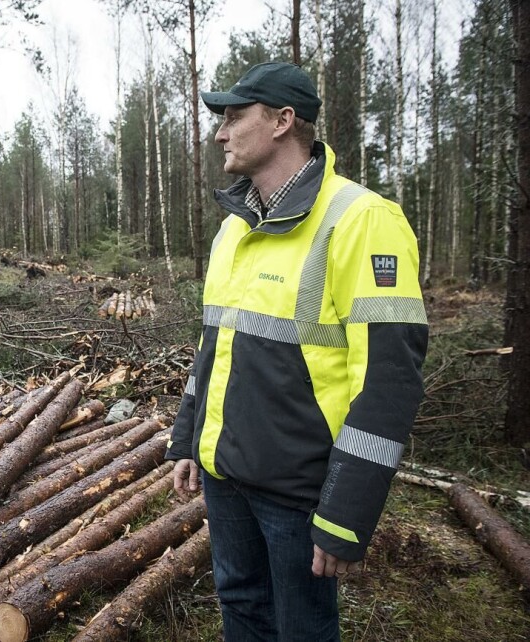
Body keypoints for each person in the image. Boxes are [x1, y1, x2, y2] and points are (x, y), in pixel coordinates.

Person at [166, 61, 428, 641]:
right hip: (226, 475)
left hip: (299, 492)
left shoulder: (361, 220)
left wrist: (347, 510)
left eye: (235, 117)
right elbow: (214, 346)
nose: (220, 132)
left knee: (302, 628)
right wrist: (187, 438)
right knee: (240, 608)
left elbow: (389, 381)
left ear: (284, 121)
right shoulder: (234, 230)